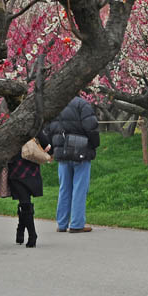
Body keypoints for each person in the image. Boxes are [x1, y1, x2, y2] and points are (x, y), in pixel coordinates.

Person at [0, 97, 51, 247]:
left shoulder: (5, 122)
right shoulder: (31, 121)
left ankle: (23, 231)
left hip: (15, 166)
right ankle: (30, 234)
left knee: (24, 201)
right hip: (30, 166)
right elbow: (47, 144)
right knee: (25, 202)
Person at [46, 95, 101, 233]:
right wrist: (94, 145)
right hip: (81, 150)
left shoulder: (55, 105)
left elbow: (48, 130)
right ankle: (77, 223)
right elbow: (91, 127)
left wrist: (52, 150)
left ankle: (62, 223)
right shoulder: (82, 105)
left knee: (64, 188)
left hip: (62, 151)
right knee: (79, 188)